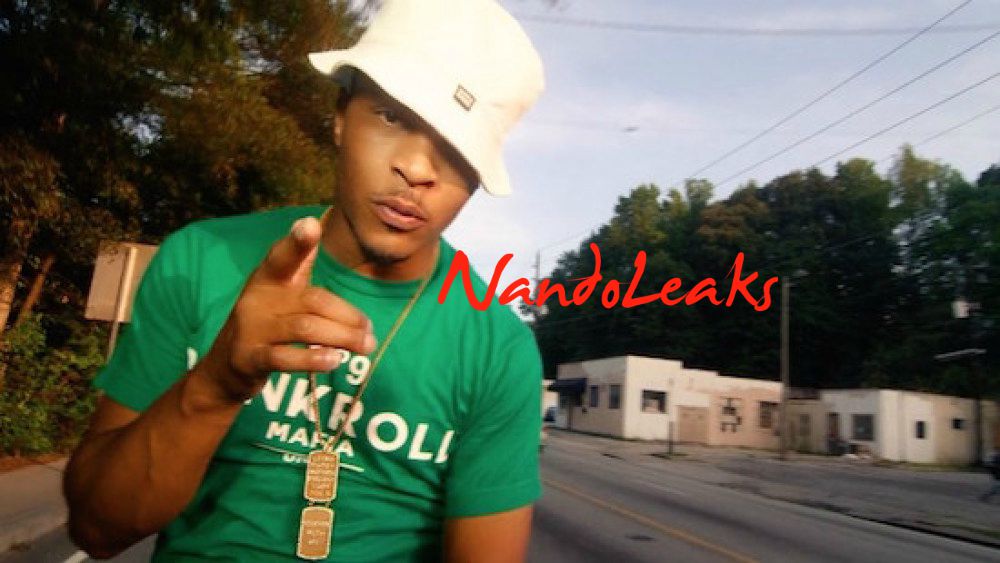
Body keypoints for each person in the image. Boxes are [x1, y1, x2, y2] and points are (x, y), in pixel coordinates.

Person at [63, 1, 545, 561]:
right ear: (341, 117)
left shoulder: (497, 348)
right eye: (393, 117)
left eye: (457, 148)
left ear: (477, 177)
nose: (417, 170)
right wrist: (216, 384)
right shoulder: (202, 260)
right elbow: (96, 529)